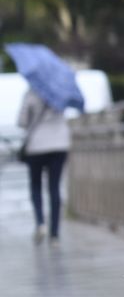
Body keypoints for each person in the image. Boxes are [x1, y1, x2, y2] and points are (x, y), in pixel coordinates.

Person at [17, 88, 70, 244]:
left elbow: (22, 121)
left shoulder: (31, 93)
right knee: (54, 187)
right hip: (60, 145)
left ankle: (40, 223)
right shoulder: (60, 92)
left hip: (37, 146)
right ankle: (55, 233)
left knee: (35, 185)